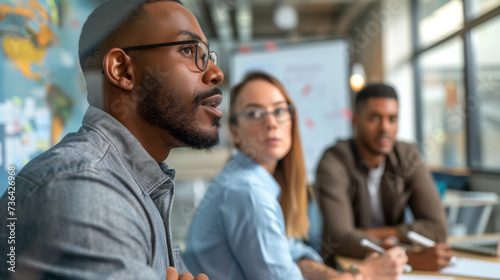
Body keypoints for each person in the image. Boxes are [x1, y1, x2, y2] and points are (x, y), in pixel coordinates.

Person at [0, 0, 223, 279]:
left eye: (208, 55)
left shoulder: (137, 184)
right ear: (122, 70)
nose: (215, 73)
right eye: (189, 50)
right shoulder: (81, 186)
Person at [183, 72, 407, 280]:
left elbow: (292, 252)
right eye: (254, 113)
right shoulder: (248, 192)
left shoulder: (250, 180)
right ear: (235, 133)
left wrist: (339, 277)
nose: (271, 123)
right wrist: (365, 274)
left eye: (279, 111)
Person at [316, 83, 453, 271]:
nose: (385, 128)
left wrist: (370, 235)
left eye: (392, 119)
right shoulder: (334, 160)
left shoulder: (407, 156)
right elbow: (338, 238)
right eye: (375, 118)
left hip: (396, 266)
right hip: (347, 267)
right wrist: (409, 257)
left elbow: (437, 229)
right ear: (356, 121)